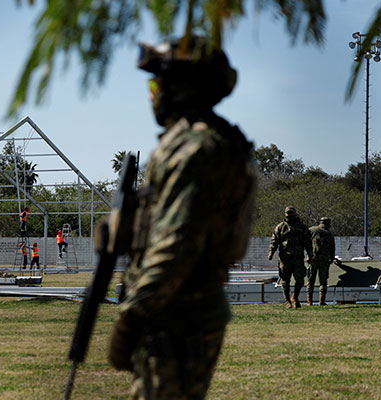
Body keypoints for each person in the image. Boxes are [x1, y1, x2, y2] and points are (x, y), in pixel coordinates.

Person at [108, 36, 256, 399]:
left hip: (177, 316)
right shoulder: (206, 141)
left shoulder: (195, 149)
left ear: (180, 87)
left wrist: (133, 317)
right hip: (180, 309)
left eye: (155, 84)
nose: (150, 94)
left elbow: (177, 243)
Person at [268, 206, 313, 308]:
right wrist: (271, 253)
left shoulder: (302, 228)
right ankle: (287, 301)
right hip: (285, 258)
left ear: (295, 214)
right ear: (285, 214)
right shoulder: (280, 227)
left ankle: (295, 297)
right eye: (288, 213)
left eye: (291, 213)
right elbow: (274, 241)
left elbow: (308, 243)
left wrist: (310, 255)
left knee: (300, 279)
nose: (289, 215)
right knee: (285, 280)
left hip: (298, 258)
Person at [308, 217, 336, 305]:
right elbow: (332, 248)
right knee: (323, 281)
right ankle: (322, 300)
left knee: (310, 280)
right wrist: (331, 258)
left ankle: (309, 301)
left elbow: (305, 242)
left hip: (312, 259)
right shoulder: (329, 234)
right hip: (324, 260)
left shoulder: (311, 230)